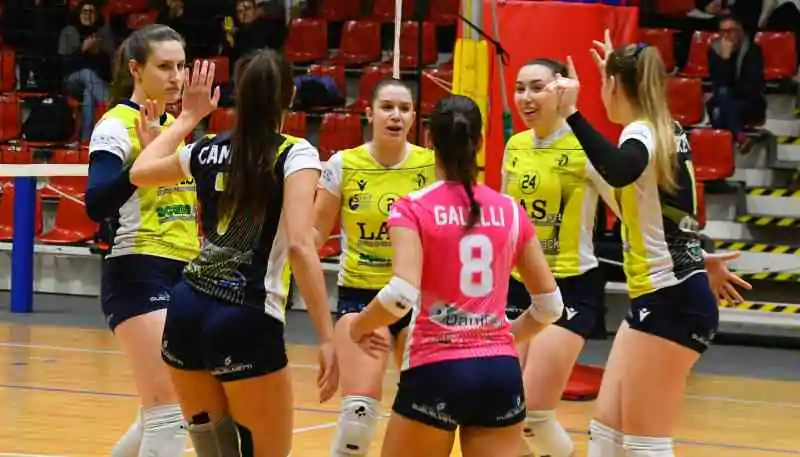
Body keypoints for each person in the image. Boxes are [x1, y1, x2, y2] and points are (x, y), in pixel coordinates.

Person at [547, 31, 752, 456]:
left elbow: (620, 169)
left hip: (671, 299)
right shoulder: (665, 129)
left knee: (644, 442)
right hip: (664, 294)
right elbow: (669, 213)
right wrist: (699, 255)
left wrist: (572, 114)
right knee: (606, 431)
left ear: (614, 86)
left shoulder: (641, 134)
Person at [128, 50, 338, 457]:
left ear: (238, 94)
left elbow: (139, 172)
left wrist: (185, 121)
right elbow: (300, 244)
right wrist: (327, 338)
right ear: (290, 96)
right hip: (246, 314)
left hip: (186, 311)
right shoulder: (294, 153)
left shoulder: (206, 148)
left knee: (216, 451)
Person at [347, 94, 565, 457]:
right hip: (499, 371)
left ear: (429, 140)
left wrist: (358, 326)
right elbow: (550, 306)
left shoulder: (412, 207)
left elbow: (400, 294)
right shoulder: (510, 210)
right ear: (479, 141)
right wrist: (498, 339)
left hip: (436, 368)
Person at [84, 24, 197, 457]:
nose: (176, 77)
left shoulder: (173, 127)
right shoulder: (116, 125)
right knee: (171, 416)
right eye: (164, 67)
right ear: (136, 69)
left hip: (184, 271)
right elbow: (95, 202)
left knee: (157, 416)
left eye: (181, 67)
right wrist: (140, 166)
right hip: (137, 268)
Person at [312, 78, 437, 457]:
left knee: (427, 412)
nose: (396, 116)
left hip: (418, 299)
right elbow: (315, 234)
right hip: (362, 298)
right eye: (387, 107)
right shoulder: (344, 164)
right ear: (369, 113)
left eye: (404, 109)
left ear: (413, 117)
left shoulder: (431, 165)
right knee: (358, 417)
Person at [503, 57, 619, 457]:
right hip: (518, 287)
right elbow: (505, 217)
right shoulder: (515, 146)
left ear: (562, 90)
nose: (526, 97)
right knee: (501, 411)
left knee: (534, 416)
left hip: (571, 285)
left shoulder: (585, 147)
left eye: (537, 87)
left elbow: (632, 211)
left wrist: (688, 253)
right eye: (520, 88)